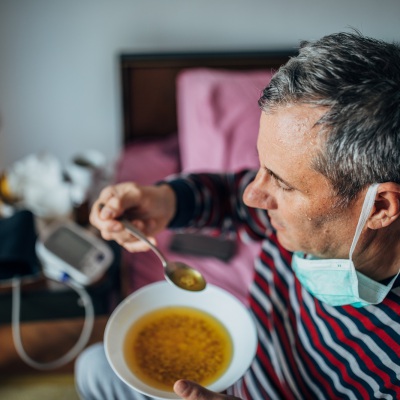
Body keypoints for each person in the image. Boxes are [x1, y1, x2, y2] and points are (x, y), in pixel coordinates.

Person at [75, 31, 400, 399]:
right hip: (245, 376)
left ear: (380, 207)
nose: (253, 194)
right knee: (94, 367)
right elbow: (232, 197)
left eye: (283, 183)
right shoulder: (298, 216)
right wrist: (166, 200)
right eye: (261, 166)